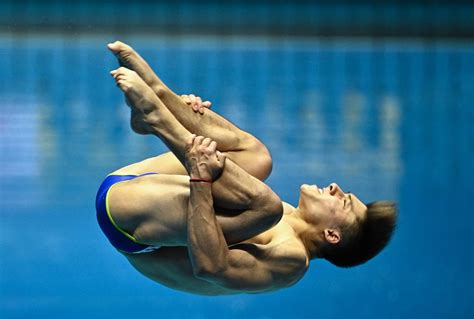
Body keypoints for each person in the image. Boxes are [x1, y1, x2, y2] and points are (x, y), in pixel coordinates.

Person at [95, 41, 397, 295]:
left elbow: (211, 266)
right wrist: (198, 123)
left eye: (343, 201)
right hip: (134, 183)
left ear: (332, 235)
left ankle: (160, 121)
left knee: (267, 207)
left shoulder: (292, 261)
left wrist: (200, 178)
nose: (334, 187)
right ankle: (163, 99)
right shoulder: (289, 216)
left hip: (126, 223)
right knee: (258, 159)